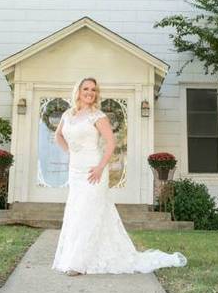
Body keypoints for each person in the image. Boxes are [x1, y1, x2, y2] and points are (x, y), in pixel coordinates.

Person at [51, 76, 187, 275]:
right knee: (77, 212)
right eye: (86, 88)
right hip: (76, 172)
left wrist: (99, 167)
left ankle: (78, 263)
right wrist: (71, 152)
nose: (90, 92)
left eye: (94, 89)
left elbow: (111, 143)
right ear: (78, 91)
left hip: (94, 171)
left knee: (89, 212)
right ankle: (77, 256)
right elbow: (58, 136)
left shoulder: (97, 116)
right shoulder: (67, 115)